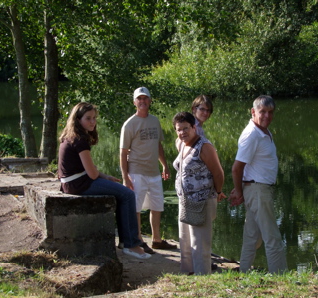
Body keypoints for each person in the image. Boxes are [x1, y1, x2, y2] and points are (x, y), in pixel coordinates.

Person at [58, 102, 151, 260]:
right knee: (128, 194)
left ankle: (126, 241)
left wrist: (106, 177)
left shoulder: (72, 136)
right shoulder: (80, 141)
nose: (93, 121)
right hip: (79, 184)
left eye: (94, 118)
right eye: (88, 118)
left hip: (72, 182)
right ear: (77, 119)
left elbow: (90, 170)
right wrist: (99, 175)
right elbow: (92, 175)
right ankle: (131, 244)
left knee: (121, 193)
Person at [230, 95, 288, 274]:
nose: (267, 116)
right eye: (262, 112)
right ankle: (281, 279)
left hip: (256, 189)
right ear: (253, 112)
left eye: (270, 112)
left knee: (252, 237)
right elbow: (236, 168)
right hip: (258, 190)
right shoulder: (252, 134)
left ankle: (244, 273)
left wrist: (242, 189)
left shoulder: (263, 132)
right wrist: (239, 192)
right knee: (272, 237)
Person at [120, 87, 177, 254]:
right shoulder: (129, 124)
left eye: (145, 98)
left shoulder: (154, 121)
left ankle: (157, 240)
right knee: (136, 208)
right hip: (136, 171)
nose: (143, 101)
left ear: (150, 101)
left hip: (154, 172)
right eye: (139, 99)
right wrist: (125, 177)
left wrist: (165, 165)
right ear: (134, 102)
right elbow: (123, 152)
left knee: (157, 206)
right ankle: (139, 239)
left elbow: (158, 144)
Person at [172, 112, 226, 275]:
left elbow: (218, 173)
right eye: (179, 129)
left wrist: (218, 192)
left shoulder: (204, 146)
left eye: (186, 128)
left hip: (202, 201)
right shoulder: (181, 143)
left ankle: (202, 278)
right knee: (185, 241)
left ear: (194, 127)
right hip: (184, 201)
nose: (182, 132)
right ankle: (188, 274)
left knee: (200, 244)